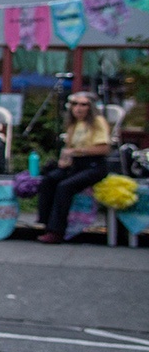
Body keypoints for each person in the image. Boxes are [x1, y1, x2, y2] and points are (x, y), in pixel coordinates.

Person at [35, 91, 112, 244]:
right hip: (76, 164)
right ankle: (46, 223)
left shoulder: (97, 122)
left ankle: (57, 231)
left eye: (83, 105)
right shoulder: (73, 124)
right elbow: (69, 149)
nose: (79, 108)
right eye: (75, 104)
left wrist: (78, 151)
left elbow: (104, 149)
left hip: (93, 165)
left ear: (90, 107)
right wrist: (64, 159)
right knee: (49, 179)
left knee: (65, 187)